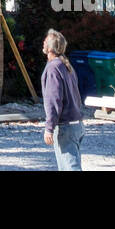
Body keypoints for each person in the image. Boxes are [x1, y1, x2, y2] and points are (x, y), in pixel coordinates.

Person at [41, 28, 85, 170]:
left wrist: (49, 128)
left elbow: (54, 100)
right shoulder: (66, 65)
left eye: (46, 41)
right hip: (76, 125)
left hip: (66, 127)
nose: (43, 42)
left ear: (50, 47)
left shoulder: (53, 68)